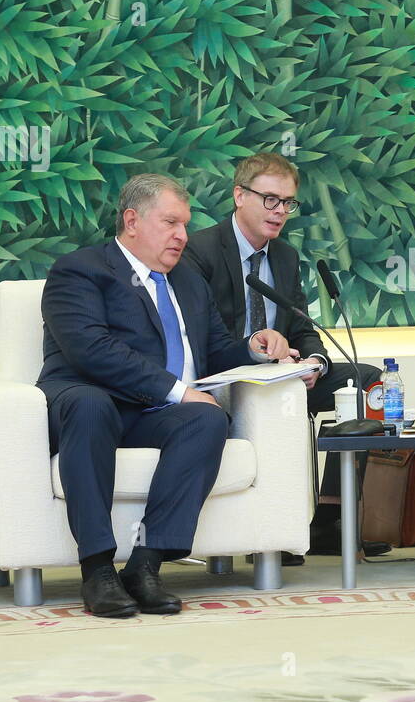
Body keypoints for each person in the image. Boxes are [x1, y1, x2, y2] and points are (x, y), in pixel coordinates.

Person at [38, 174, 290, 617]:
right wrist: (178, 392)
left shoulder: (188, 280)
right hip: (90, 404)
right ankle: (97, 569)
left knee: (209, 419)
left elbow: (214, 351)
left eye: (186, 225)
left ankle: (145, 565)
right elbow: (91, 351)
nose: (182, 236)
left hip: (154, 413)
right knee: (91, 404)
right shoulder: (81, 270)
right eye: (171, 223)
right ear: (132, 221)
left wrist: (252, 347)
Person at [182, 153, 390, 564]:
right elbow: (199, 336)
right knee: (272, 397)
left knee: (367, 383)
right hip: (227, 379)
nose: (280, 212)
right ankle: (263, 529)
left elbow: (301, 327)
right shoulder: (200, 251)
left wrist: (314, 363)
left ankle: (330, 519)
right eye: (270, 199)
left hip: (283, 377)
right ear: (239, 195)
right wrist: (257, 350)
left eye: (288, 203)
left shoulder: (284, 257)